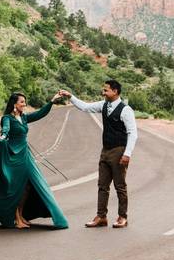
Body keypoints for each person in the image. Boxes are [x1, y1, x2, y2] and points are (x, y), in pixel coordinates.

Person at [0, 91, 69, 229]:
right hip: (14, 157)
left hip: (25, 155)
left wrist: (51, 101)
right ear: (14, 104)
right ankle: (16, 218)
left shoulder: (24, 117)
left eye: (25, 102)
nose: (25, 104)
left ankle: (21, 215)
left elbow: (40, 114)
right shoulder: (7, 118)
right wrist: (3, 137)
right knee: (17, 188)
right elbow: (5, 129)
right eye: (22, 102)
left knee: (30, 186)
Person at [59, 79, 137, 228]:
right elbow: (85, 107)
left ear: (115, 92)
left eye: (106, 90)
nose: (103, 92)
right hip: (105, 151)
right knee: (102, 185)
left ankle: (122, 217)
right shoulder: (104, 105)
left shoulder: (126, 110)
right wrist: (70, 96)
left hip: (119, 151)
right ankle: (101, 217)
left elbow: (132, 133)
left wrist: (127, 154)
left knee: (120, 186)